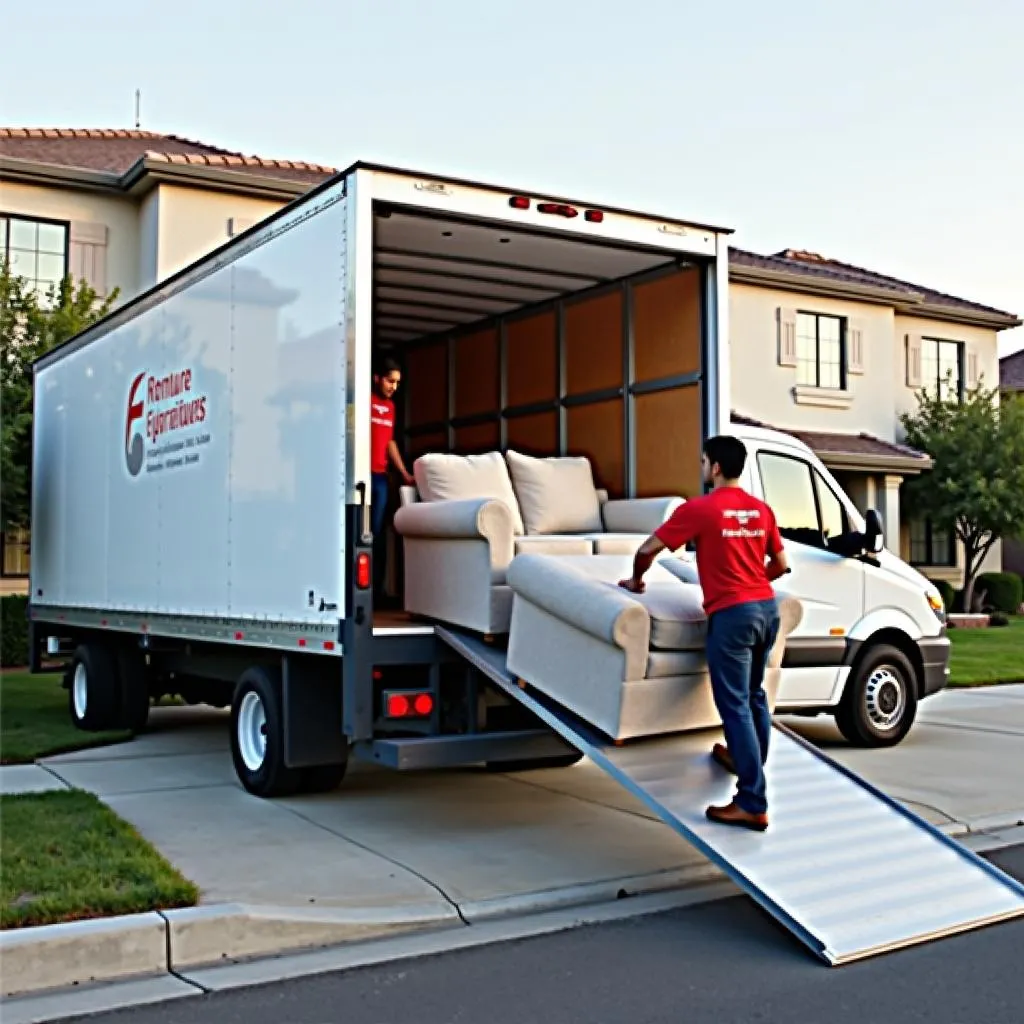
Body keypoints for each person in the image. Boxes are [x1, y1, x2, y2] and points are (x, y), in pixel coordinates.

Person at [619, 435, 789, 832]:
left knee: (734, 705)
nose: (701, 468)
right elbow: (780, 565)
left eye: (702, 462)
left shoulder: (700, 509)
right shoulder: (761, 511)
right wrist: (750, 585)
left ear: (714, 467)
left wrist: (637, 581)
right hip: (767, 609)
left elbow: (648, 549)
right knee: (754, 695)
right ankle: (744, 760)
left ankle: (751, 801)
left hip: (733, 616)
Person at [370, 355, 414, 602]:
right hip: (361, 477)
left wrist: (404, 473)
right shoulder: (365, 401)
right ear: (377, 378)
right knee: (364, 532)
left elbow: (389, 443)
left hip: (380, 478)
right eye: (390, 381)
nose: (393, 387)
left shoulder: (391, 408)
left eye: (397, 383)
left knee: (380, 534)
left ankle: (378, 591)